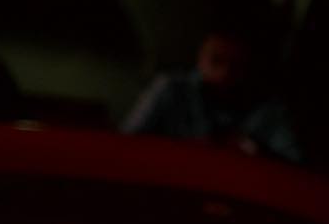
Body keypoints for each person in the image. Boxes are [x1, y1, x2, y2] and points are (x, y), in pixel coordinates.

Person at [122, 22, 301, 162]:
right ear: (200, 59)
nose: (224, 73)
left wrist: (250, 148)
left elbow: (294, 168)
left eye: (236, 66)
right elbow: (127, 144)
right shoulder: (170, 89)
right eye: (216, 61)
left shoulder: (267, 111)